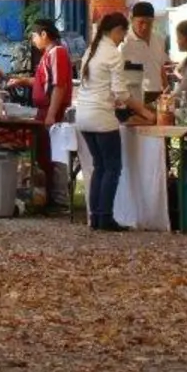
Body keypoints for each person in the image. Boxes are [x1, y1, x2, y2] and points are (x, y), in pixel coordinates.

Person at [76, 13, 133, 232]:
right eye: (123, 33)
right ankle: (105, 216)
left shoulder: (92, 49)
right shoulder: (113, 54)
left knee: (99, 167)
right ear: (116, 30)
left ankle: (96, 216)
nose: (123, 39)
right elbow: (121, 92)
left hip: (84, 115)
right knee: (112, 167)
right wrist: (140, 108)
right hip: (101, 117)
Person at [10, 19, 74, 212]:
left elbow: (59, 85)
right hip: (44, 109)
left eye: (35, 35)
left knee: (55, 156)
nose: (33, 40)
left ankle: (60, 200)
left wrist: (52, 114)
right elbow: (43, 82)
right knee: (45, 154)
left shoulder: (57, 53)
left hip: (51, 110)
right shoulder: (48, 55)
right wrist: (22, 81)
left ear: (44, 34)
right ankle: (49, 196)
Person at [121, 2, 172, 106]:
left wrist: (167, 90)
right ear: (132, 20)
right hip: (135, 97)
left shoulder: (158, 39)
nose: (145, 27)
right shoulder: (124, 43)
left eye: (149, 23)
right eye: (141, 22)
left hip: (158, 94)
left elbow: (159, 66)